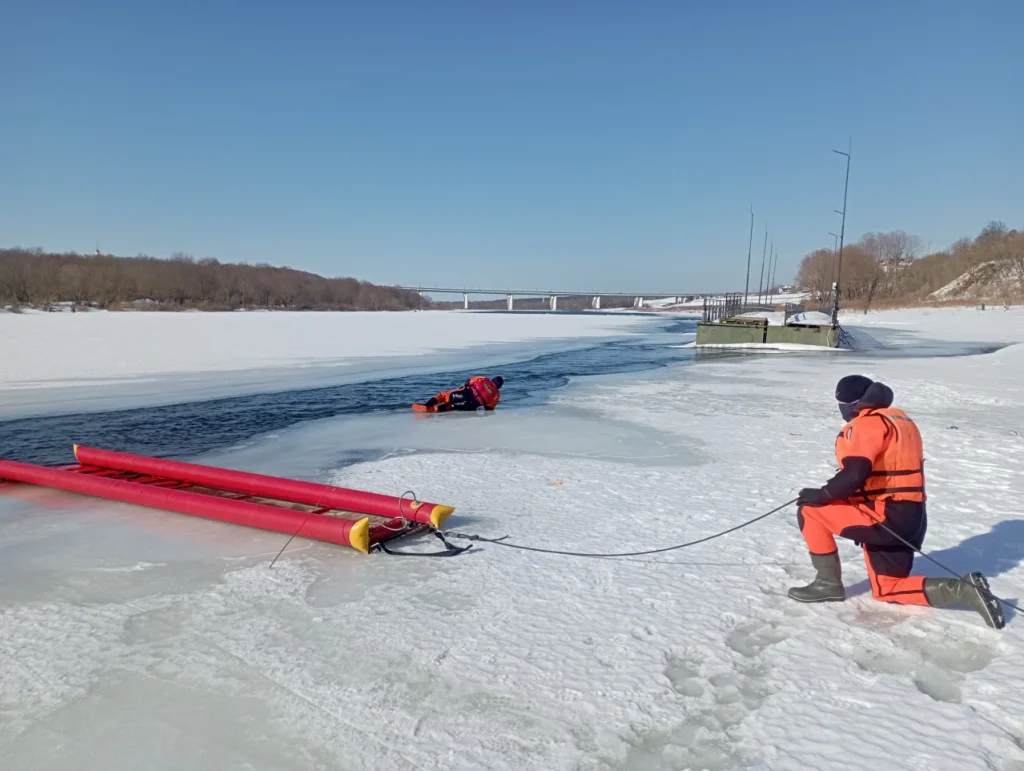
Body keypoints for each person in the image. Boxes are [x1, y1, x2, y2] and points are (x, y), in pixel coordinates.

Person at [789, 374, 1004, 629]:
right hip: (911, 516)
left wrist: (823, 494)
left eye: (842, 404)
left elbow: (856, 473)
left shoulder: (867, 423)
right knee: (888, 588)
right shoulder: (900, 420)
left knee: (810, 511)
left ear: (853, 403)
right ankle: (964, 590)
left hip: (886, 515)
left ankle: (827, 584)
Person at [414, 375, 503, 413]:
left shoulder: (483, 379)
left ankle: (427, 405)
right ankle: (436, 409)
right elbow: (489, 409)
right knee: (452, 406)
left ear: (492, 379)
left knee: (444, 395)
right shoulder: (496, 395)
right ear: (499, 387)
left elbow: (468, 381)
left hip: (462, 395)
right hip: (470, 406)